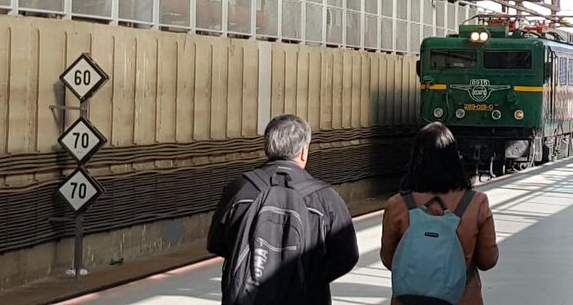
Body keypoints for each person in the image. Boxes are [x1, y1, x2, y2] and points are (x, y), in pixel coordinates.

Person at [208, 114, 359, 305]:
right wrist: (312, 277)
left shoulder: (239, 189)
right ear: (304, 151)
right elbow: (347, 255)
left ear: (267, 148)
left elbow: (216, 243)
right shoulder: (325, 197)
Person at [381, 122, 499, 305]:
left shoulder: (397, 205)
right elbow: (488, 261)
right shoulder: (477, 203)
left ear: (416, 159)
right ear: (454, 158)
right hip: (463, 299)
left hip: (409, 300)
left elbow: (390, 261)